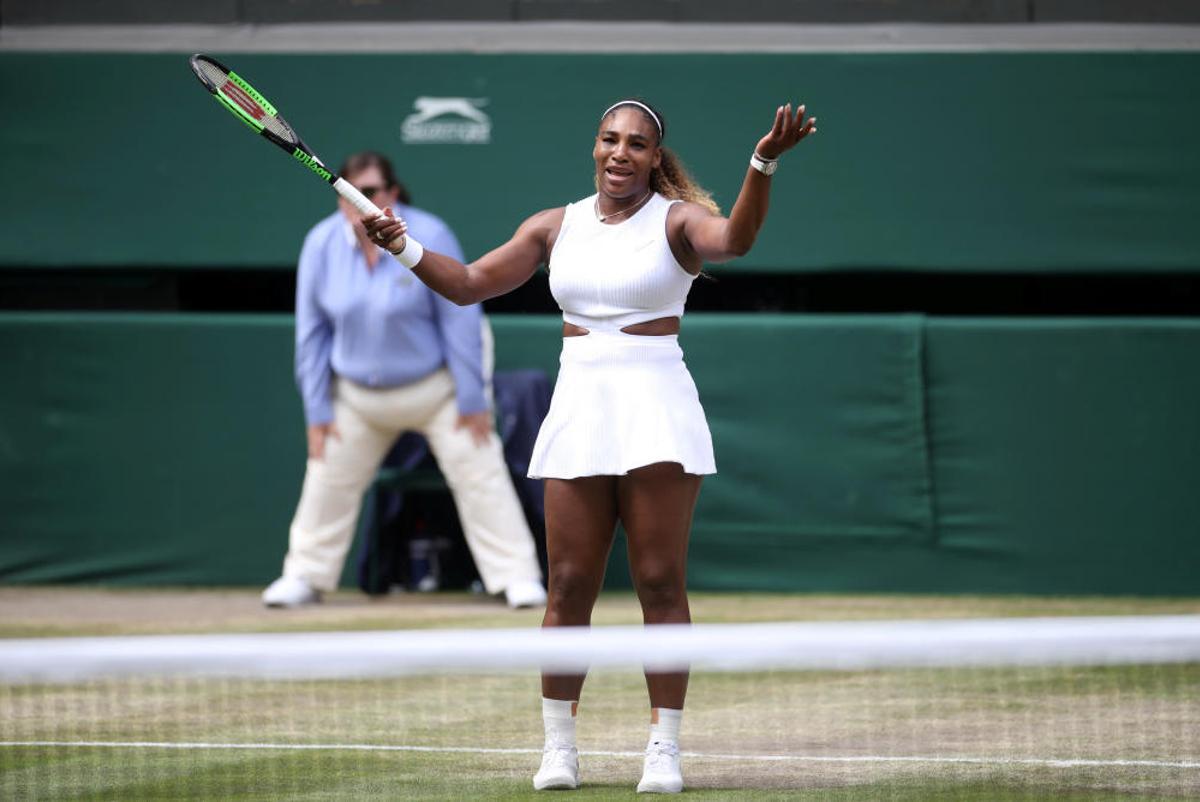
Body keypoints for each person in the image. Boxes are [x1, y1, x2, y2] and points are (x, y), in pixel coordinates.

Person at [363, 101, 816, 793]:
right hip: (580, 405)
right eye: (610, 139)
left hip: (656, 404)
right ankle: (559, 748)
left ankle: (663, 748)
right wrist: (402, 246)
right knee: (570, 585)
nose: (620, 153)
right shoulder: (554, 225)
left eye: (637, 144)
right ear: (595, 147)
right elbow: (468, 285)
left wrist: (763, 163)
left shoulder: (676, 222)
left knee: (660, 583)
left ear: (655, 159)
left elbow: (737, 239)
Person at [262, 151, 547, 611]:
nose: (359, 201)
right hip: (356, 397)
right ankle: (304, 577)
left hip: (436, 392)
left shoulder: (429, 234)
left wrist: (472, 399)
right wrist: (318, 412)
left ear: (392, 194)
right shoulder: (319, 245)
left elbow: (462, 322)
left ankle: (517, 577)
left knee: (481, 473)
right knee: (327, 476)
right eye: (348, 193)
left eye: (371, 192)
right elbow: (311, 335)